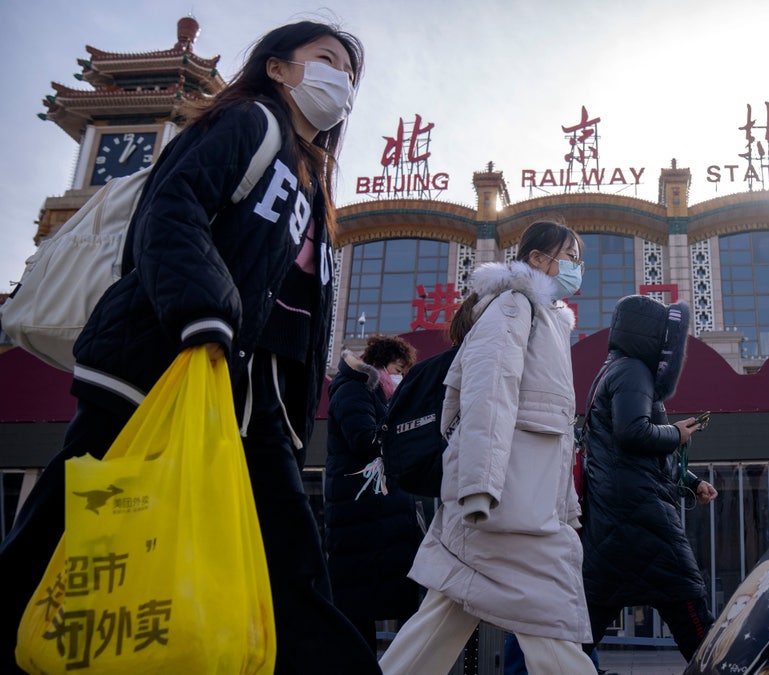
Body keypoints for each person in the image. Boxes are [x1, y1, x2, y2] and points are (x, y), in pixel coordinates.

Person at [0, 21, 379, 675]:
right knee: (66, 521)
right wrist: (205, 315)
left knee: (290, 558)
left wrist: (292, 410)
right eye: (326, 60)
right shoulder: (248, 125)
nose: (340, 81)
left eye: (350, 73)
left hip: (253, 403)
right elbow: (170, 207)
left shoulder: (314, 189)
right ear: (278, 69)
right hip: (164, 357)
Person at [377, 221, 598, 675]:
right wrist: (477, 485)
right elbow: (487, 394)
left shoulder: (551, 321)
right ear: (537, 259)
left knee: (444, 619)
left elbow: (553, 434)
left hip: (524, 503)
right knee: (549, 623)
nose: (578, 267)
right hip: (505, 504)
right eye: (570, 255)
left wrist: (566, 507)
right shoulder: (515, 307)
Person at [579, 294, 718, 663]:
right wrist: (677, 433)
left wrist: (689, 481)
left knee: (580, 631)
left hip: (613, 518)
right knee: (690, 608)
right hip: (642, 517)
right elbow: (634, 433)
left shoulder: (612, 369)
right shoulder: (633, 371)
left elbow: (624, 450)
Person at [324, 335, 424, 652]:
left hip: (374, 515)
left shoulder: (376, 393)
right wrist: (404, 433)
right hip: (362, 514)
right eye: (398, 368)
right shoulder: (354, 388)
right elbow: (364, 440)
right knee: (361, 606)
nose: (401, 375)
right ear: (381, 364)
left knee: (383, 598)